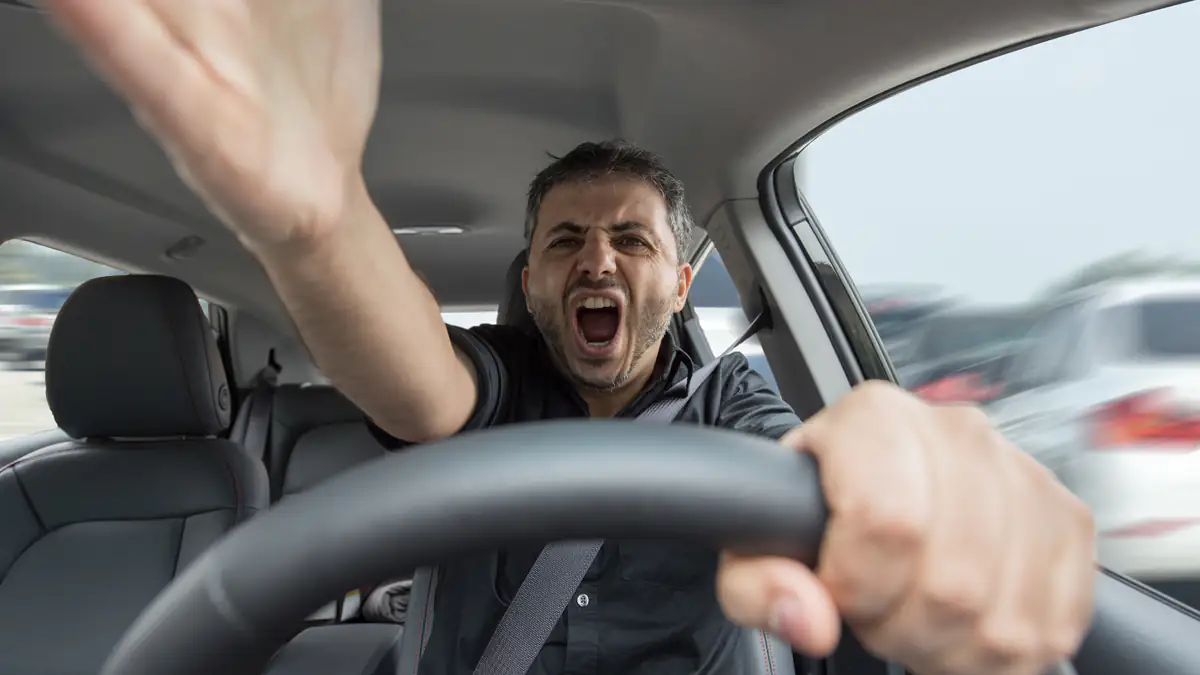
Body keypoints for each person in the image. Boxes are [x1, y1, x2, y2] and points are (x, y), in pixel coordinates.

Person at [42, 3, 1096, 675]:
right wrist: (316, 225)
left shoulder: (730, 408)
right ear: (533, 280)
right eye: (567, 242)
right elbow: (423, 388)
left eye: (630, 241)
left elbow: (812, 460)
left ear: (680, 284)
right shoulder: (498, 387)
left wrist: (908, 474)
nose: (597, 262)